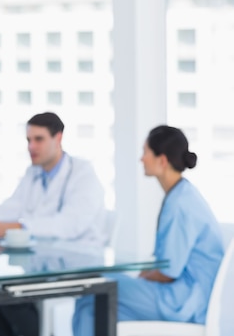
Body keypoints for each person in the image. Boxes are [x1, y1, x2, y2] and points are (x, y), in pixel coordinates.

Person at [0, 111, 106, 336]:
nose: (32, 146)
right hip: (39, 262)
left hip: (75, 262)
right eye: (29, 140)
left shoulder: (82, 173)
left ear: (58, 138)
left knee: (11, 298)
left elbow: (70, 225)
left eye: (39, 139)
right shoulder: (34, 173)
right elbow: (12, 206)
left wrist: (15, 227)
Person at [72, 125, 224, 336]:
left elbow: (169, 271)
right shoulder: (182, 195)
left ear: (162, 160)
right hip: (186, 297)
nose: (141, 159)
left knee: (96, 291)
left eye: (145, 152)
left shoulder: (180, 203)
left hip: (183, 301)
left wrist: (141, 278)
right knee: (95, 304)